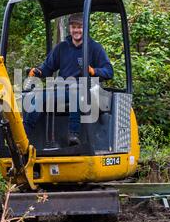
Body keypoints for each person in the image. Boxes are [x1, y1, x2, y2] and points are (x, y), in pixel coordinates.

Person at [23, 13, 113, 146]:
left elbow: (109, 71)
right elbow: (47, 68)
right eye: (73, 27)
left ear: (85, 28)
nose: (76, 30)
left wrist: (93, 71)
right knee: (36, 97)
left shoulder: (95, 48)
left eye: (79, 27)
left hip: (84, 90)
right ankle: (23, 137)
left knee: (74, 91)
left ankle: (73, 135)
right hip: (61, 89)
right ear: (70, 28)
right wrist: (38, 71)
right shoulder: (62, 47)